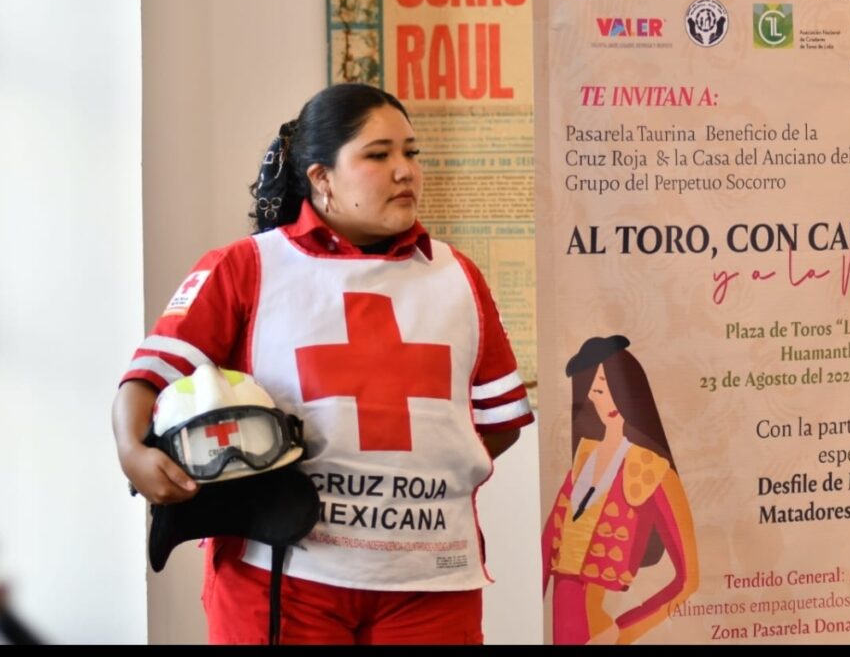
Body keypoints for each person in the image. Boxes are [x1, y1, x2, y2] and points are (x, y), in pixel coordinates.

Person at [111, 83, 534, 645]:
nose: (405, 171)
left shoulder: (458, 276)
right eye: (378, 155)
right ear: (322, 178)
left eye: (412, 153)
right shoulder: (247, 266)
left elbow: (498, 422)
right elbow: (150, 375)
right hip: (282, 570)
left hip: (430, 578)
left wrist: (409, 482)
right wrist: (132, 451)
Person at [541, 335, 698, 645]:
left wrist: (623, 632)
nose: (605, 398)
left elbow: (688, 580)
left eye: (611, 387)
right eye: (598, 389)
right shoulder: (581, 462)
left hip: (602, 634)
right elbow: (543, 556)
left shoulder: (651, 471)